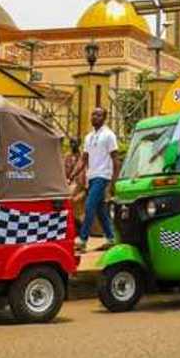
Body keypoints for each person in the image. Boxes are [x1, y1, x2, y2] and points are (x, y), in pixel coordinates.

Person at [76, 108, 119, 253]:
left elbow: (115, 159)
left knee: (89, 207)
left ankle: (82, 240)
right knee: (100, 210)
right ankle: (111, 238)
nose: (95, 117)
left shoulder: (109, 135)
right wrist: (72, 174)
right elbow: (84, 159)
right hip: (92, 176)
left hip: (103, 176)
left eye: (99, 115)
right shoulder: (88, 137)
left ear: (104, 118)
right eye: (93, 114)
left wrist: (113, 182)